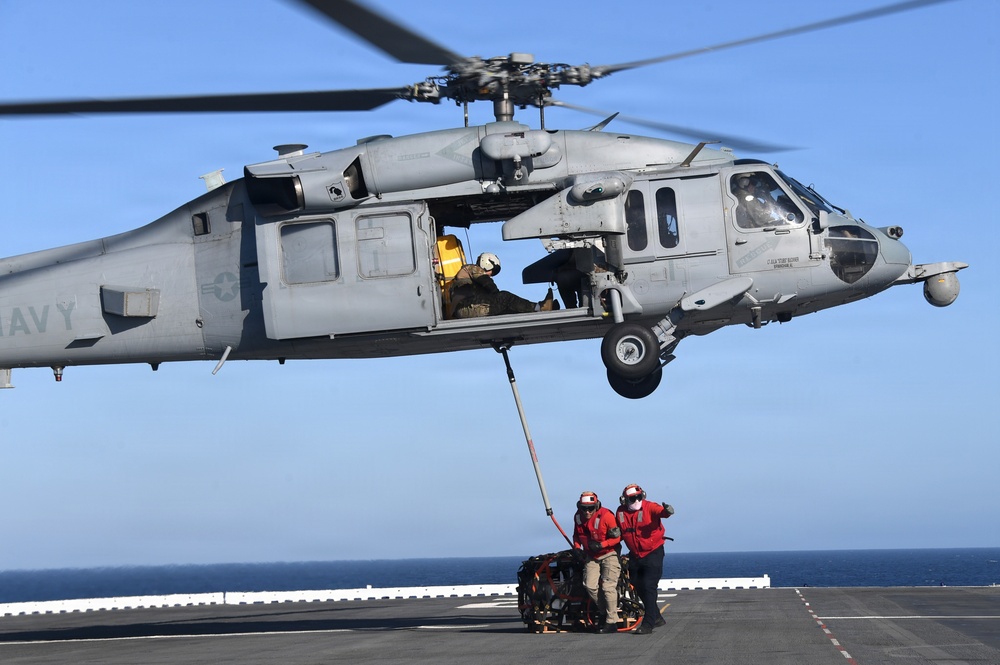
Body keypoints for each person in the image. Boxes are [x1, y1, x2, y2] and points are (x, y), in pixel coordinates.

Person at [615, 483, 674, 635]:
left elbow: (660, 512)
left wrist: (667, 511)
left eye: (638, 497)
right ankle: (657, 617)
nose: (636, 501)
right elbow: (620, 531)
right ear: (624, 500)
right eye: (632, 498)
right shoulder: (620, 512)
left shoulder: (649, 507)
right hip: (635, 554)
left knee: (649, 586)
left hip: (653, 552)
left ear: (643, 496)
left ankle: (648, 624)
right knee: (636, 583)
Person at [448, 252, 557, 318]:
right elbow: (487, 282)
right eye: (492, 270)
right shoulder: (472, 268)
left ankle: (542, 310)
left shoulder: (473, 278)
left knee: (508, 308)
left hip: (469, 309)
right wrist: (497, 294)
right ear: (487, 262)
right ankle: (540, 307)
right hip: (465, 308)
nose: (491, 274)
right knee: (505, 297)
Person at [572, 491, 623, 633]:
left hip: (609, 554)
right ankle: (603, 612)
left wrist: (602, 545)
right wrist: (577, 548)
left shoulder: (607, 516)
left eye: (590, 508)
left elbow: (617, 538)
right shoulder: (577, 517)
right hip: (591, 556)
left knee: (608, 587)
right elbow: (576, 535)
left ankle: (611, 621)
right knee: (589, 585)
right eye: (584, 508)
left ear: (597, 506)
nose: (587, 512)